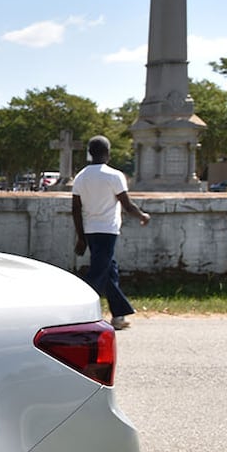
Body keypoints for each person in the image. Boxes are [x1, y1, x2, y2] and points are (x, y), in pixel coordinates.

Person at [71, 135, 151, 330]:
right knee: (98, 273)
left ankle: (119, 316)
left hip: (90, 230)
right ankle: (75, 311)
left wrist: (81, 237)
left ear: (89, 153)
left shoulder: (81, 177)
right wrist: (142, 216)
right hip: (108, 230)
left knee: (109, 271)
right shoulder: (114, 175)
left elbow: (75, 209)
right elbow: (127, 204)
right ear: (108, 153)